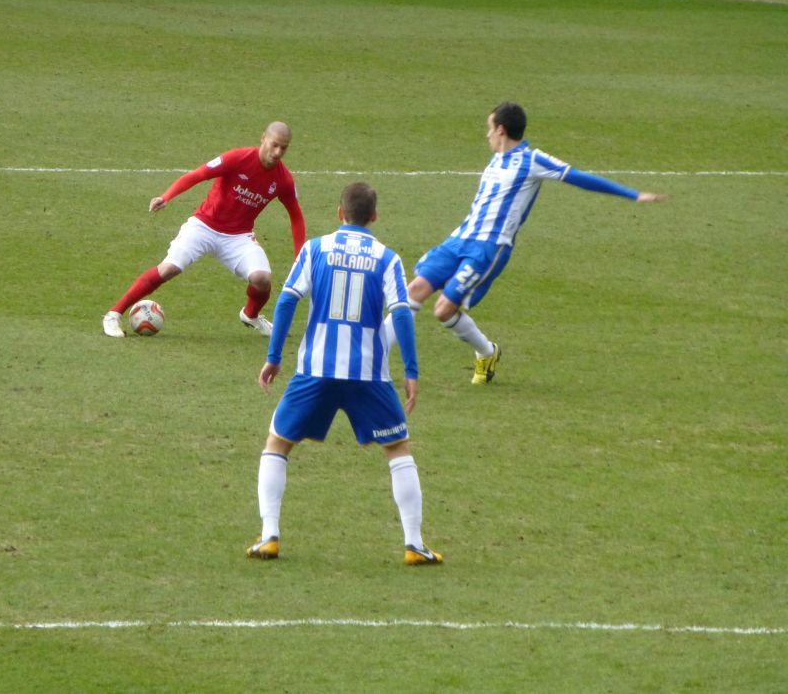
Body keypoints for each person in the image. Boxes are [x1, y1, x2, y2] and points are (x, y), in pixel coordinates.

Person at [246, 182, 441, 566]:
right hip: (368, 374)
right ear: (374, 217)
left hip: (315, 370)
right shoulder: (387, 258)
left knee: (278, 443)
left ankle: (269, 535)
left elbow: (286, 301)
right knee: (398, 449)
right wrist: (412, 371)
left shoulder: (315, 249)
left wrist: (274, 357)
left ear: (339, 214)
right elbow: (401, 312)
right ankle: (414, 544)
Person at [406, 103, 666, 385]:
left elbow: (579, 178)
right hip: (459, 239)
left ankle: (487, 352)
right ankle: (375, 362)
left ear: (501, 130)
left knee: (444, 310)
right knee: (415, 288)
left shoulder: (533, 161)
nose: (487, 135)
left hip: (489, 247)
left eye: (489, 128)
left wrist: (632, 195)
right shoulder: (496, 159)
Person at [102, 122, 306, 339]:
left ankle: (251, 315)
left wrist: (298, 259)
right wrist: (166, 196)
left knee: (262, 279)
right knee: (169, 268)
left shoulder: (283, 179)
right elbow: (197, 175)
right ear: (263, 138)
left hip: (238, 237)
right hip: (203, 226)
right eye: (274, 145)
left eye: (283, 148)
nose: (277, 153)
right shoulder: (237, 158)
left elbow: (296, 217)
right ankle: (113, 314)